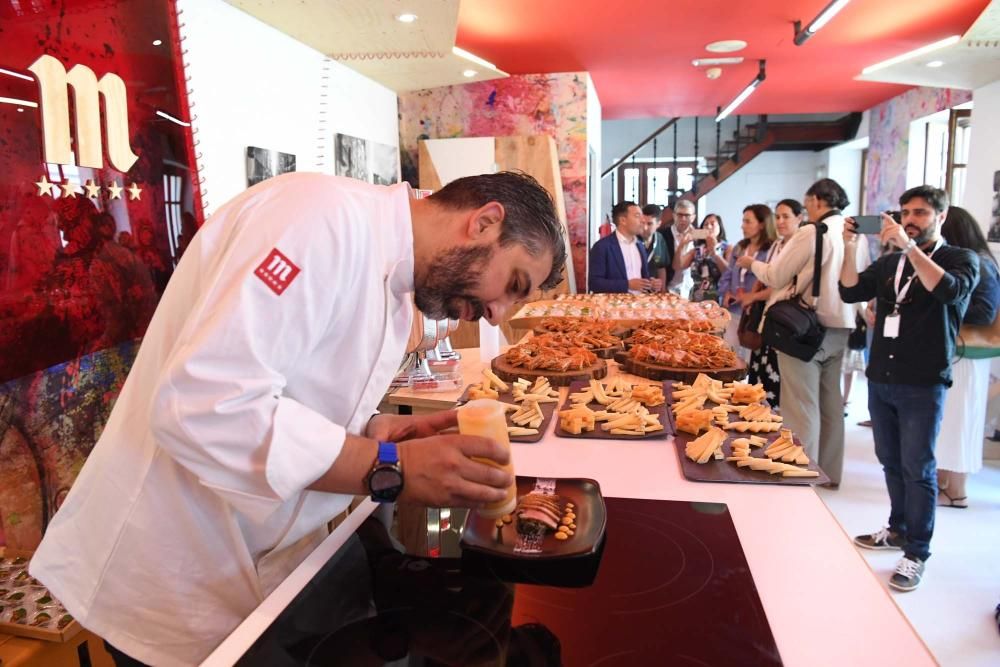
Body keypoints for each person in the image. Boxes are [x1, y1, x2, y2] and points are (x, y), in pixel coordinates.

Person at [29, 171, 566, 665]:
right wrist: (390, 466)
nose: (500, 313)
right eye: (514, 283)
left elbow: (290, 398)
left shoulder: (399, 288)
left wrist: (376, 431)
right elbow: (203, 405)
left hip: (261, 566)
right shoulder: (318, 219)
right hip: (166, 565)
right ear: (485, 221)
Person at [840, 185, 979, 592]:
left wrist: (909, 248)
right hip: (882, 375)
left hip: (922, 380)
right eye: (905, 213)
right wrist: (849, 247)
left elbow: (949, 290)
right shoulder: (890, 263)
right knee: (890, 460)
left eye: (919, 212)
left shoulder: (959, 258)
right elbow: (850, 290)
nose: (910, 220)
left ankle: (917, 551)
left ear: (941, 214)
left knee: (919, 469)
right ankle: (897, 529)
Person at [737, 179, 858, 488]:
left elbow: (777, 274)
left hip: (804, 326)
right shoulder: (853, 231)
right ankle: (830, 474)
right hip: (840, 324)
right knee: (832, 404)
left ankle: (800, 476)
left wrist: (753, 263)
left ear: (816, 201)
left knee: (801, 404)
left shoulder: (811, 231)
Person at [936, 206, 1000, 509]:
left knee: (960, 420)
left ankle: (956, 490)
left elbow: (984, 312)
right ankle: (946, 483)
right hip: (959, 352)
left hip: (968, 354)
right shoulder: (977, 260)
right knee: (952, 420)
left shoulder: (980, 263)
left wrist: (941, 305)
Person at [746, 199, 803, 406]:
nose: (780, 221)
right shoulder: (778, 244)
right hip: (770, 313)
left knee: (779, 378)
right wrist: (753, 295)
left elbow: (780, 281)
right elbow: (766, 276)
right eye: (777, 217)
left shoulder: (801, 244)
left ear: (799, 218)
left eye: (786, 216)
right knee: (759, 373)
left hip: (787, 316)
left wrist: (752, 296)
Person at [720, 205, 775, 359]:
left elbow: (770, 279)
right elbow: (728, 274)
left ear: (762, 224)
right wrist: (725, 293)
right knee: (729, 356)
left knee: (750, 358)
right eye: (743, 221)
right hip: (734, 310)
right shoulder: (740, 247)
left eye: (748, 221)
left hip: (755, 313)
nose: (742, 226)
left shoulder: (770, 250)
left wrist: (752, 297)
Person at [589, 201, 656, 293]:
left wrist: (651, 284)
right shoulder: (602, 247)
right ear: (623, 220)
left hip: (640, 303)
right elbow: (594, 283)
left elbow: (643, 278)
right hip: (613, 305)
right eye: (637, 216)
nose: (643, 220)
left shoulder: (640, 245)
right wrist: (627, 284)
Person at [674, 213, 728, 302]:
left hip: (719, 299)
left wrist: (715, 253)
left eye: (712, 224)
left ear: (720, 227)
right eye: (705, 224)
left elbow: (729, 272)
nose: (709, 227)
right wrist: (682, 244)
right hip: (697, 298)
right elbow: (677, 266)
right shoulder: (696, 251)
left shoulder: (727, 248)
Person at [666, 199, 697, 296]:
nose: (683, 219)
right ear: (674, 215)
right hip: (668, 288)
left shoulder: (699, 236)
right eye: (680, 215)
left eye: (687, 215)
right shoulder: (663, 235)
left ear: (693, 217)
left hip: (691, 289)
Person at [640, 204, 670, 290]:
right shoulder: (633, 239)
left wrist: (662, 290)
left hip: (653, 291)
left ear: (658, 224)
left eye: (649, 224)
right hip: (634, 290)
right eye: (642, 223)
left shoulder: (660, 239)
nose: (645, 227)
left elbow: (661, 267)